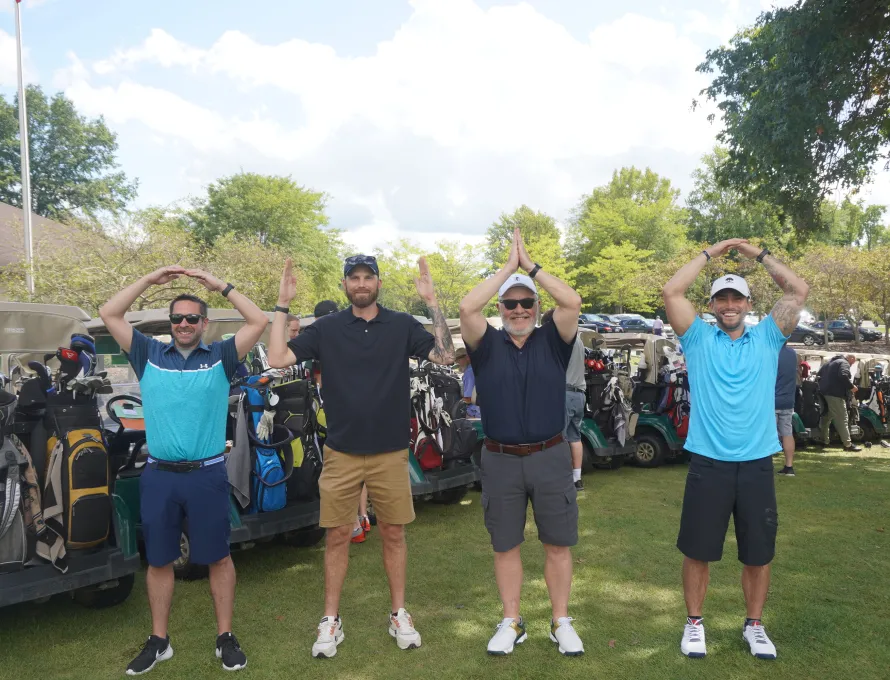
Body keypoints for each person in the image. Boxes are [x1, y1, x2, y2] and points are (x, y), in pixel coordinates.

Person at [267, 254, 454, 659]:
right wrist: (281, 305)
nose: (362, 283)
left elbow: (445, 356)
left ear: (378, 282)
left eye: (369, 276)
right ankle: (331, 620)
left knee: (394, 533)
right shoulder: (328, 328)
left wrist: (432, 302)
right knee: (337, 535)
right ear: (345, 284)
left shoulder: (402, 324)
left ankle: (399, 612)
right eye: (355, 277)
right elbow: (278, 359)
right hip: (342, 452)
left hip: (390, 452)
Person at [99, 266, 269, 675]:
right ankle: (160, 641)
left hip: (207, 474)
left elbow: (259, 320)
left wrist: (220, 285)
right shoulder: (148, 354)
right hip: (159, 475)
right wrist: (147, 279)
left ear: (204, 324)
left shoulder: (222, 356)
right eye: (177, 318)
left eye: (193, 318)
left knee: (218, 558)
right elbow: (110, 313)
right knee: (158, 560)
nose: (184, 324)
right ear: (170, 324)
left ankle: (225, 637)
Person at [662, 239, 809, 662]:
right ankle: (694, 624)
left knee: (758, 553)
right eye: (721, 299)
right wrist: (712, 252)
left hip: (757, 464)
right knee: (698, 550)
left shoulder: (767, 337)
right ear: (711, 306)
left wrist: (755, 254)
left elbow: (797, 291)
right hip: (709, 464)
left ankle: (755, 626)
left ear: (748, 303)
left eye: (736, 298)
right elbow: (672, 291)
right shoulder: (698, 339)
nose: (729, 305)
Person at [460, 228, 585, 657]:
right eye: (510, 303)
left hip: (550, 454)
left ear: (536, 307)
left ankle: (560, 620)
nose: (518, 309)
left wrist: (530, 267)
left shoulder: (553, 340)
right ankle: (512, 620)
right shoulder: (487, 344)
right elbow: (466, 307)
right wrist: (506, 269)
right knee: (505, 544)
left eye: (526, 302)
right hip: (500, 459)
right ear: (501, 308)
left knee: (557, 542)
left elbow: (571, 302)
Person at [541, 309, 585, 491]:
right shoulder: (579, 340)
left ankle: (559, 477)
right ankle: (577, 478)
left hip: (563, 393)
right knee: (575, 437)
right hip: (580, 394)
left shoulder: (559, 341)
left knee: (558, 438)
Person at [817, 354, 862, 452]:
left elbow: (818, 376)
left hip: (823, 393)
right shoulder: (844, 363)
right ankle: (847, 444)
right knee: (842, 418)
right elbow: (843, 375)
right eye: (852, 362)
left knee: (826, 417)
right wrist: (851, 387)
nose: (851, 365)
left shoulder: (827, 364)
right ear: (850, 359)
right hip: (835, 394)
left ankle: (824, 441)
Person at [775, 343, 798, 476]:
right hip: (788, 401)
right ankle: (789, 467)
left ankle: (765, 466)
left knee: (767, 434)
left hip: (771, 400)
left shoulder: (772, 353)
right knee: (787, 433)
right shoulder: (792, 354)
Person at [455, 347, 480, 418]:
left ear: (467, 357)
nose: (457, 362)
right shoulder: (474, 369)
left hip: (474, 413)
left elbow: (469, 399)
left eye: (458, 359)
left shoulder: (469, 372)